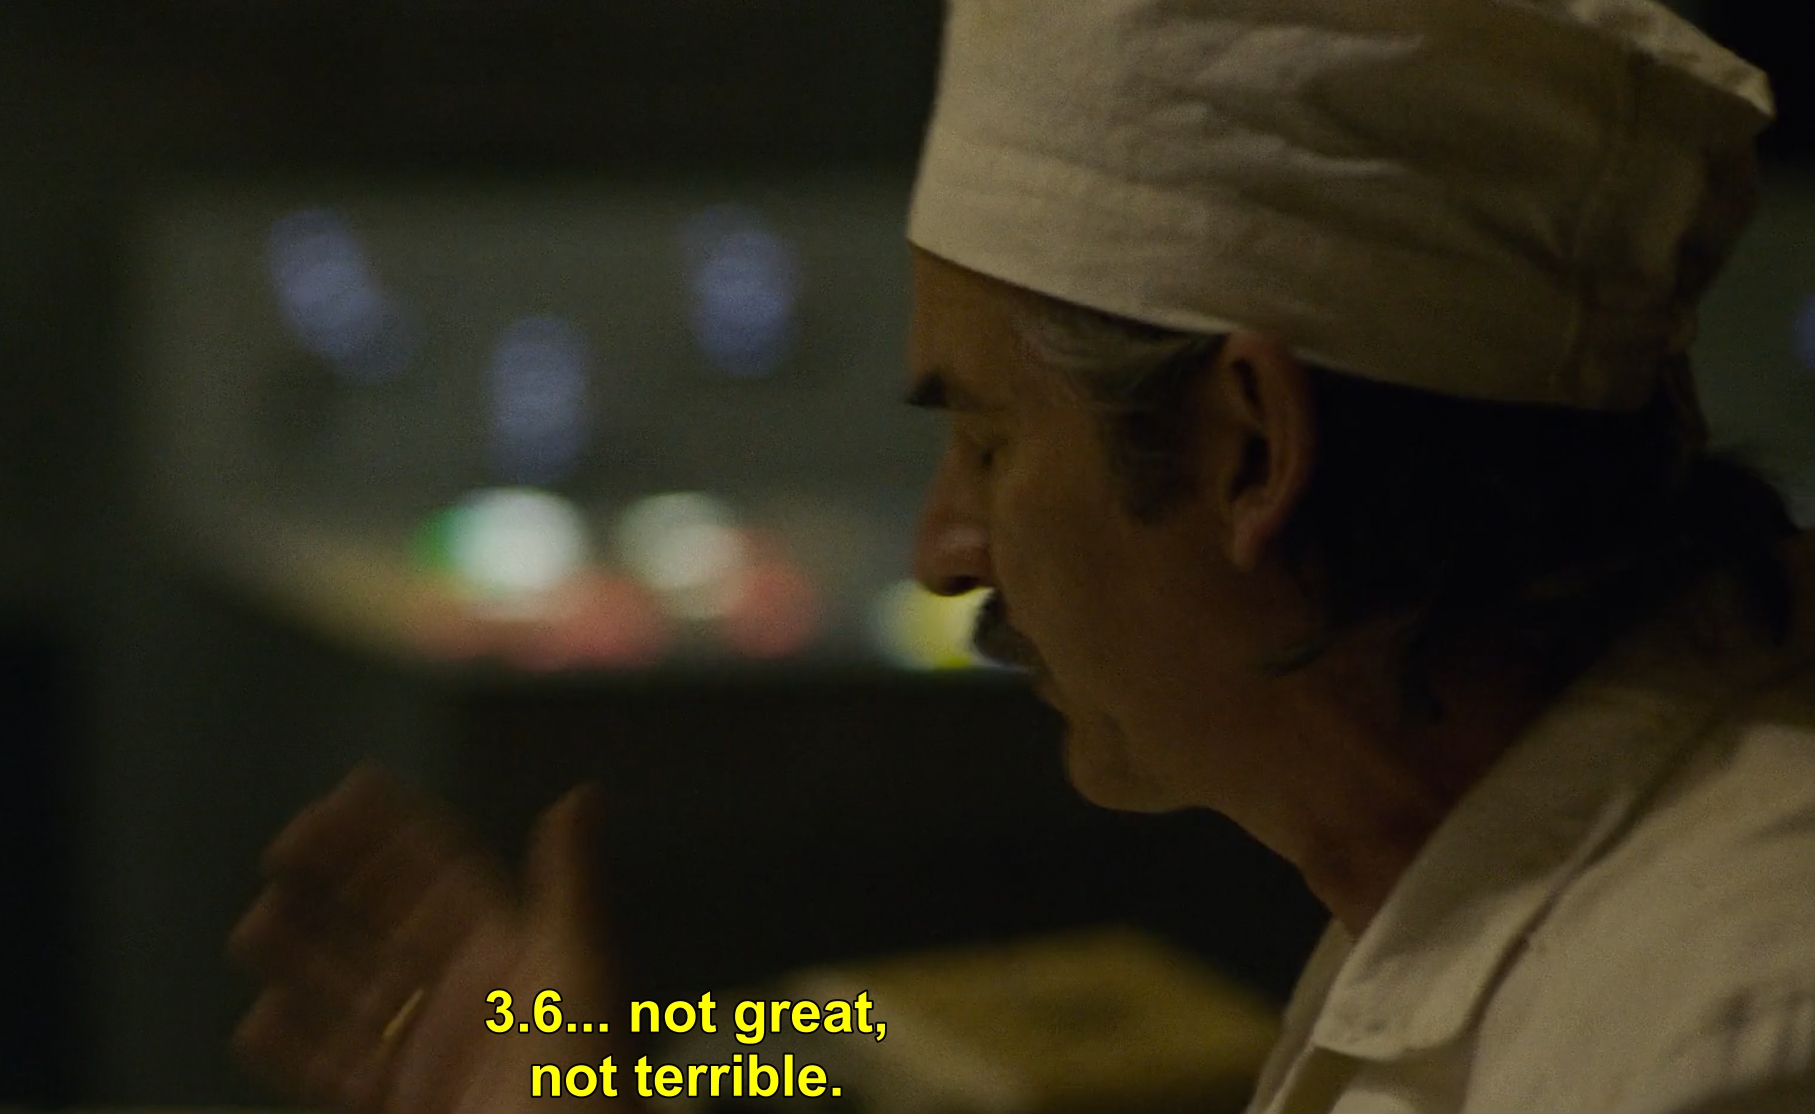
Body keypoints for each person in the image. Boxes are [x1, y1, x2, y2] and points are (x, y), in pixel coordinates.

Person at [230, 1, 1815, 1111]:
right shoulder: (1467, 892)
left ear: (1249, 450)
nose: (941, 551)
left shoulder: (1725, 1034)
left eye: (987, 442)